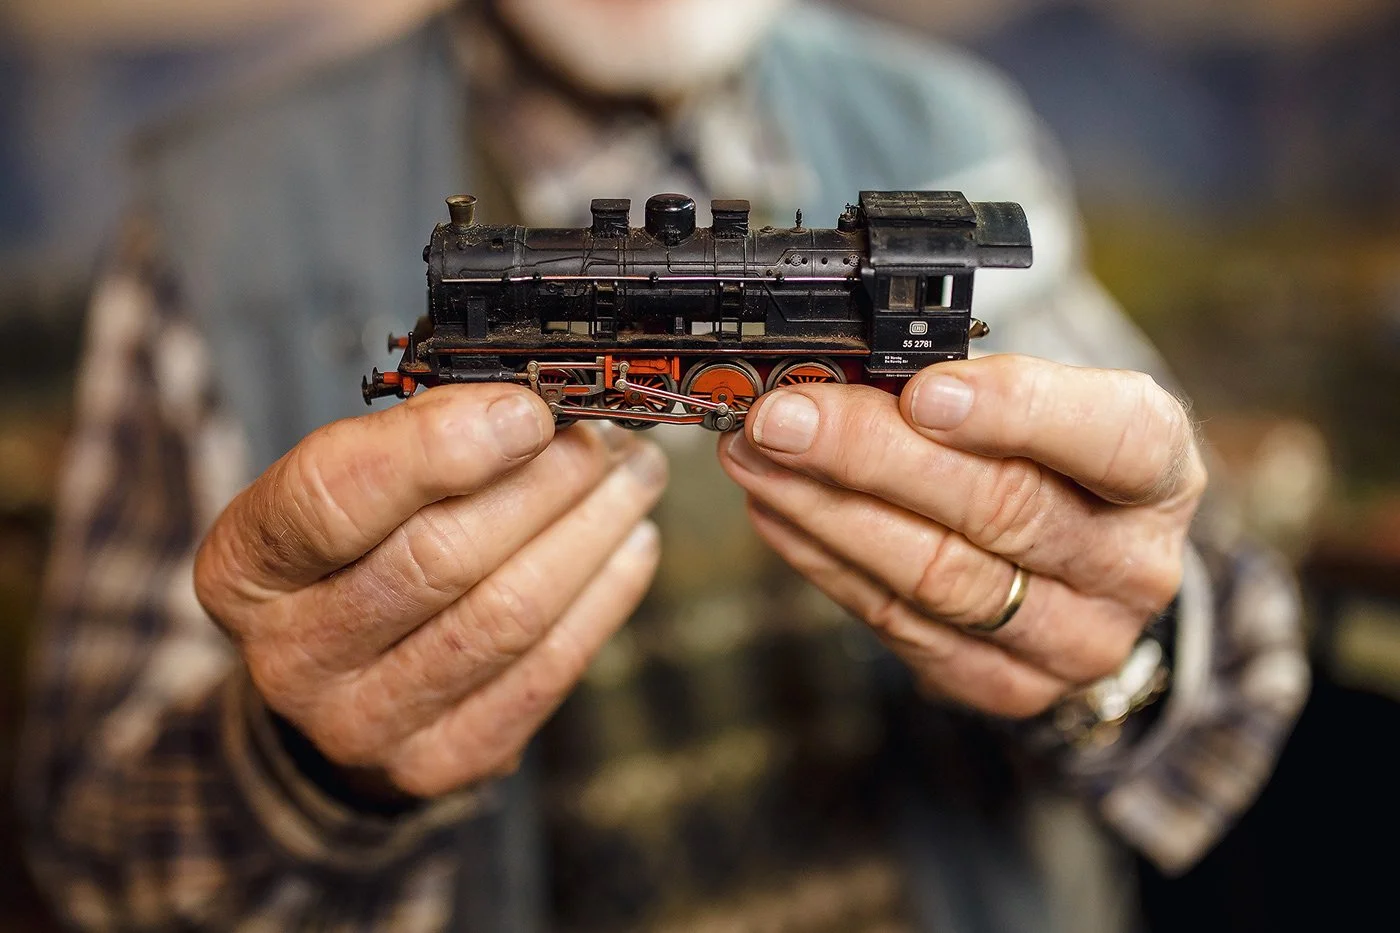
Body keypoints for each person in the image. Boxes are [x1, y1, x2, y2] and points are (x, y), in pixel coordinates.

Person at [18, 0, 1309, 930]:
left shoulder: (953, 127)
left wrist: (1123, 657)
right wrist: (307, 765)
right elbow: (96, 862)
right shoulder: (214, 219)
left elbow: (1238, 645)